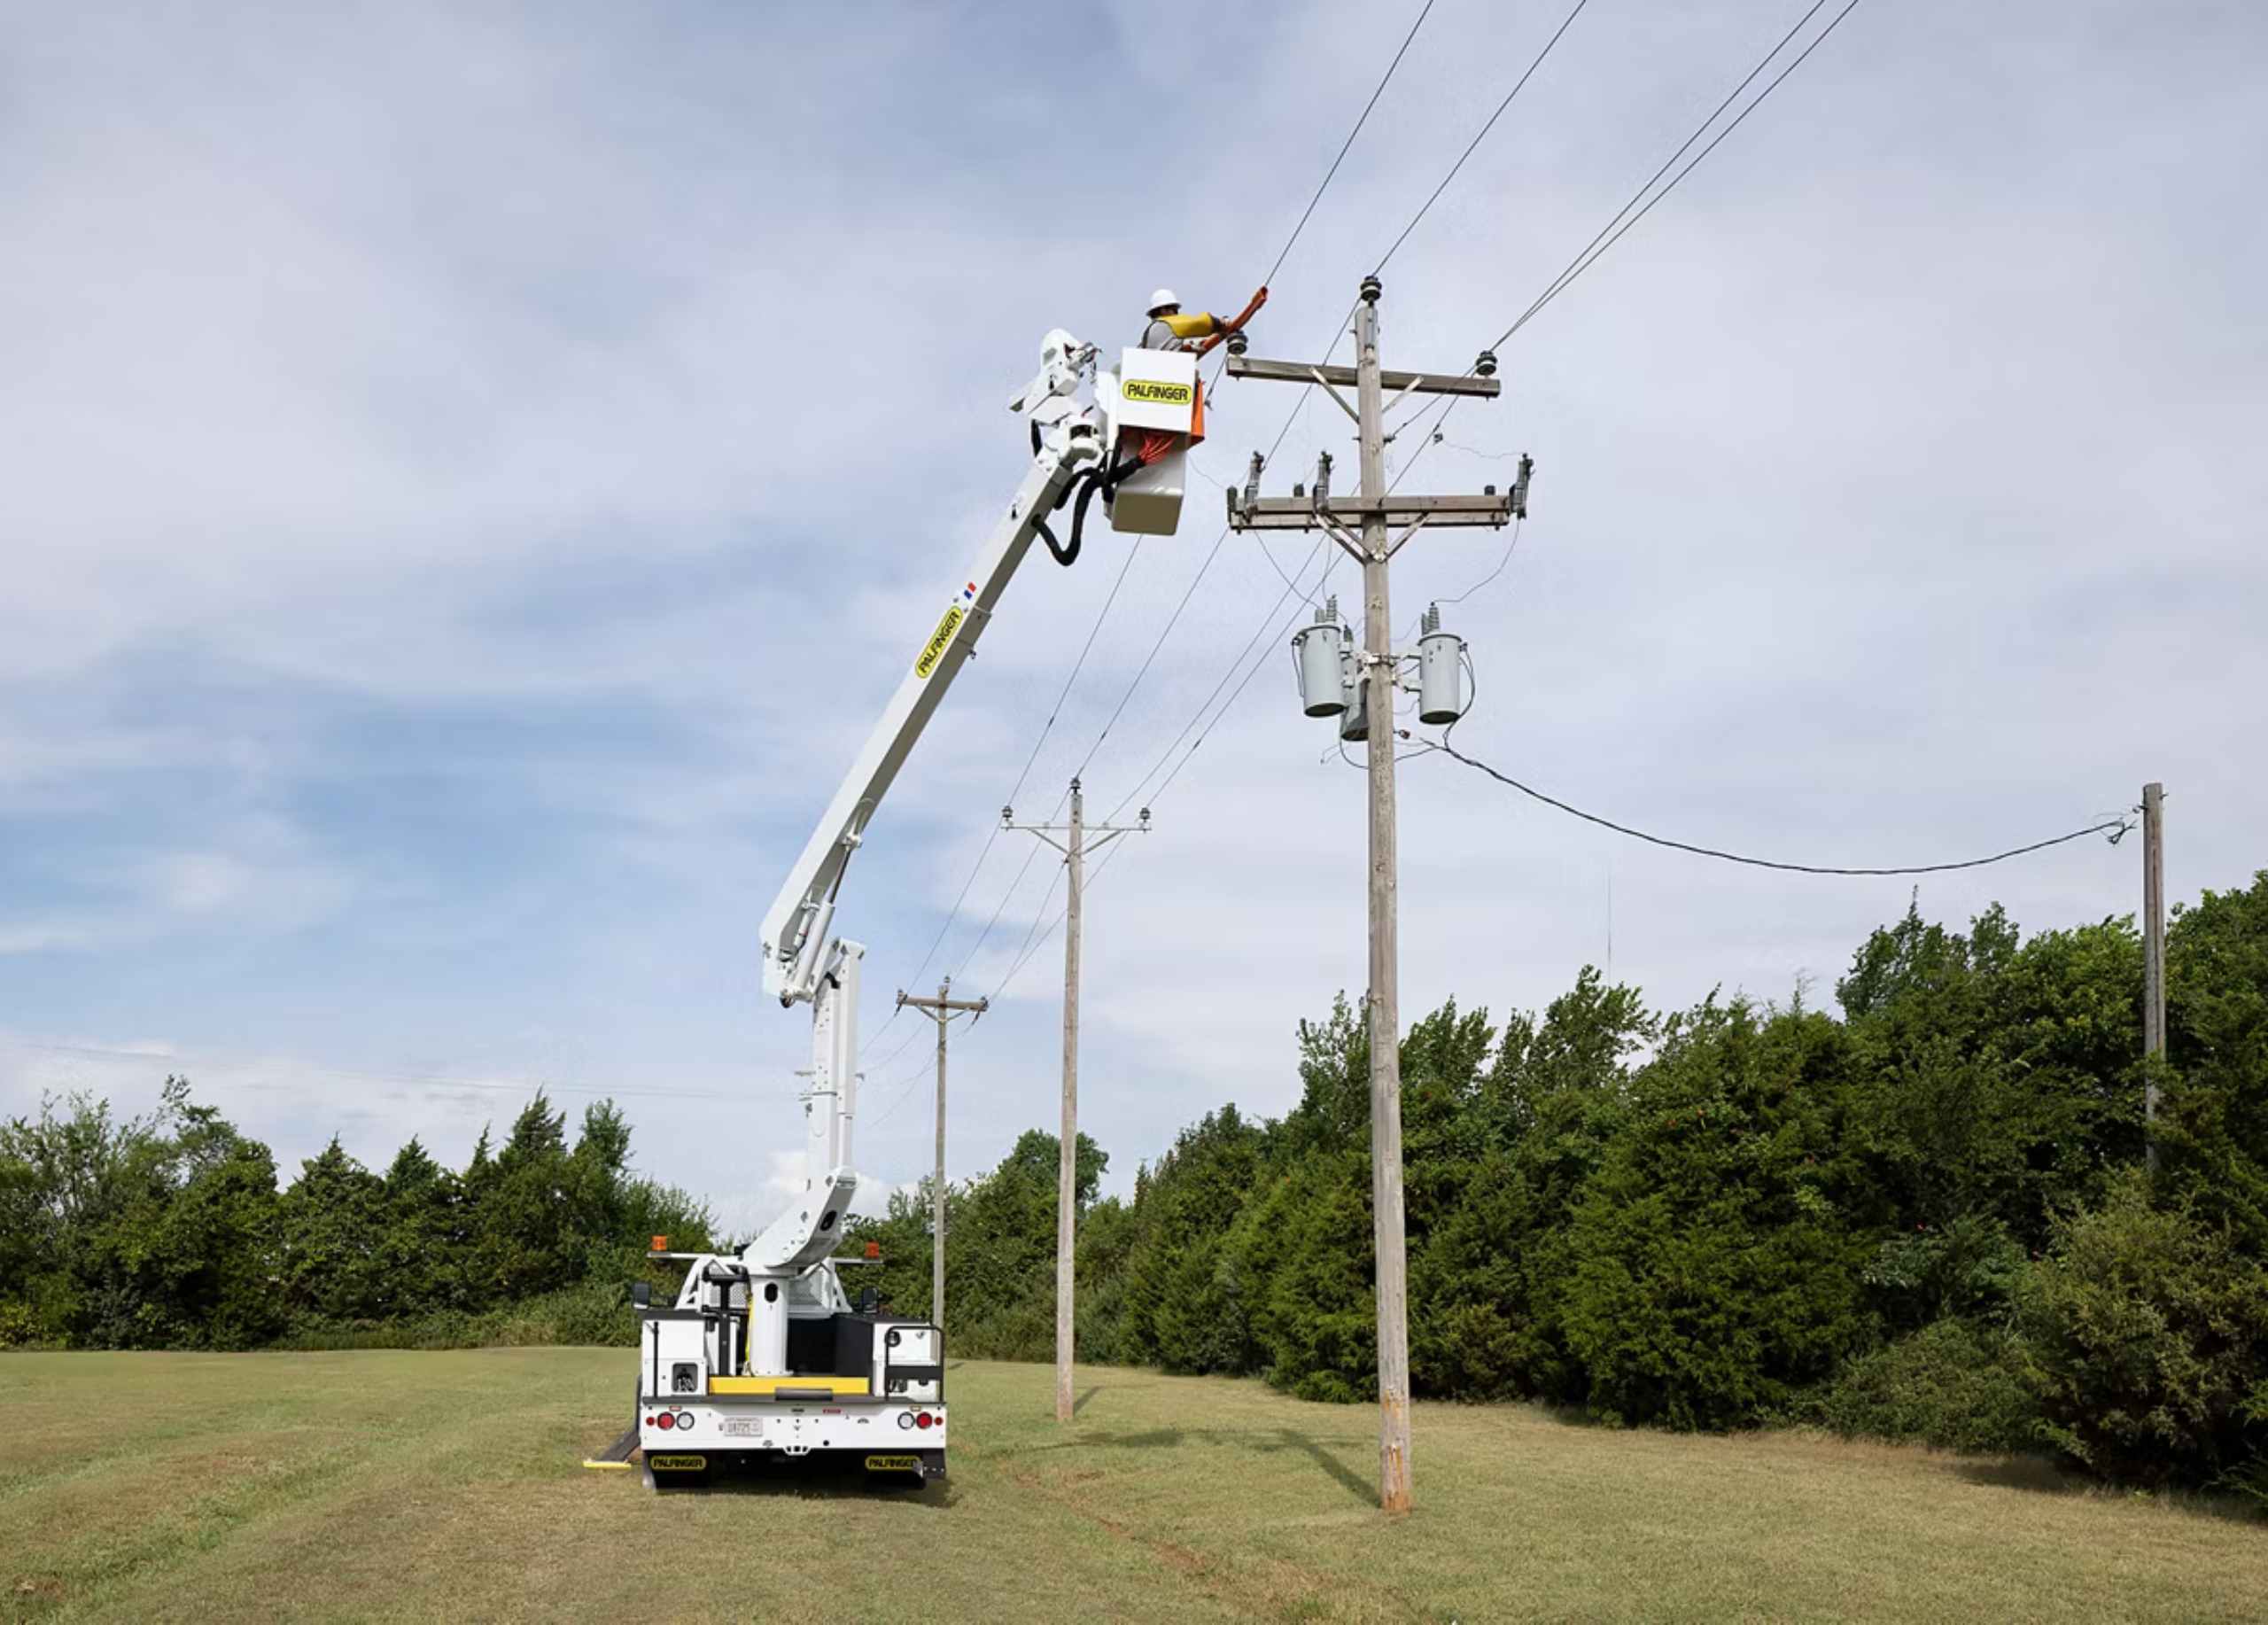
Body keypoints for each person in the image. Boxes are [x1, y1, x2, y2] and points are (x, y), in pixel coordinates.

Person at [1139, 285, 1267, 352]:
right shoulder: (1165, 324)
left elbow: (1166, 352)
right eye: (1175, 310)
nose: (1177, 314)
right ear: (1164, 310)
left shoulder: (1146, 339)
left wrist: (1190, 347)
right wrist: (1221, 324)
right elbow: (1203, 322)